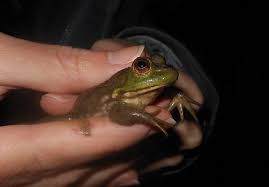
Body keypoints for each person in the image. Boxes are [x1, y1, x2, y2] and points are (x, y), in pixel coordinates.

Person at [0, 1, 218, 186]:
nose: (165, 71)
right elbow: (117, 113)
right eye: (143, 66)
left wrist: (152, 51)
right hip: (80, 117)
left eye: (158, 64)